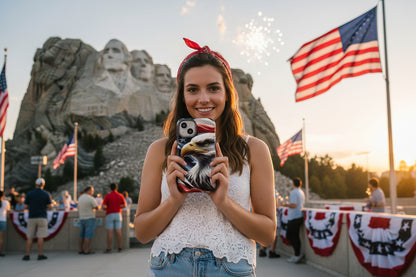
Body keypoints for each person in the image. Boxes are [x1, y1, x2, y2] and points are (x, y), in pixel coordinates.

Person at [134, 38, 276, 276]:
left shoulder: (254, 149)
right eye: (192, 89)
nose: (203, 99)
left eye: (213, 88)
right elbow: (142, 232)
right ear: (182, 95)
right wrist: (174, 199)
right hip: (169, 266)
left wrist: (223, 202)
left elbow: (267, 235)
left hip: (230, 269)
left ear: (227, 93)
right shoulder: (160, 150)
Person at [22, 178, 52, 261]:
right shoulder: (46, 194)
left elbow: (25, 206)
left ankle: (27, 255)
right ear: (43, 185)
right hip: (42, 217)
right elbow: (49, 206)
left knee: (30, 237)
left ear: (35, 184)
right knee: (40, 236)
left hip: (31, 217)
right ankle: (40, 254)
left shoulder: (30, 193)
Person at [282, 177, 305, 264]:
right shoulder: (301, 192)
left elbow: (294, 205)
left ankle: (297, 255)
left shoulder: (294, 192)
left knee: (291, 236)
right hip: (299, 215)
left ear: (293, 184)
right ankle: (297, 254)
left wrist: (285, 204)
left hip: (294, 217)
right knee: (294, 236)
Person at [102, 183, 126, 253]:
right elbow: (124, 205)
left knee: (110, 232)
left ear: (110, 188)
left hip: (109, 214)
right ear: (116, 188)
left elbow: (104, 206)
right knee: (118, 231)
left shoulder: (107, 196)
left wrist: (108, 207)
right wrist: (118, 206)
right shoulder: (120, 195)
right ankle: (120, 248)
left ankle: (109, 249)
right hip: (118, 214)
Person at [259, 189, 281, 258]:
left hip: (263, 214)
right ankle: (272, 251)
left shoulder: (262, 190)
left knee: (263, 232)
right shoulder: (274, 190)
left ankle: (262, 250)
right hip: (273, 214)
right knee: (275, 233)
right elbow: (276, 205)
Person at [78, 186, 99, 254]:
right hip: (89, 218)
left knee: (81, 235)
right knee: (88, 235)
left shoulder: (80, 198)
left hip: (81, 218)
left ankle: (80, 249)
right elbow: (96, 207)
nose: (93, 192)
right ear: (89, 191)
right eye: (92, 191)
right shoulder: (90, 198)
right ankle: (86, 250)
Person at [0, 191, 11, 256]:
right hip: (2, 220)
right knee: (0, 238)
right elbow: (8, 210)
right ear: (3, 196)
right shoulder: (6, 202)